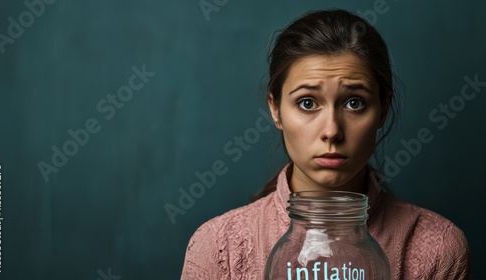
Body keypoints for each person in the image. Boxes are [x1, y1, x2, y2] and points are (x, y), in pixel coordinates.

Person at [181, 9, 471, 279]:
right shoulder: (218, 247)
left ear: (383, 108)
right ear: (275, 108)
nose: (332, 131)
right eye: (307, 103)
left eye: (354, 103)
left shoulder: (439, 249)